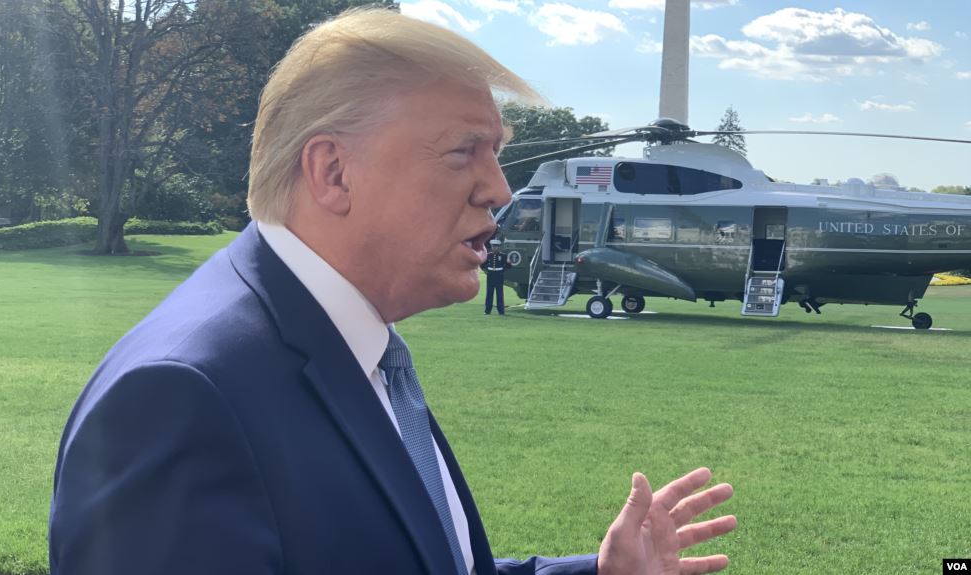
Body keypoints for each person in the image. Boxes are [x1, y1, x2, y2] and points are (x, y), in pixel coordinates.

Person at [48, 8, 736, 575]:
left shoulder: (358, 345)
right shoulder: (182, 398)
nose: (499, 189)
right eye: (463, 151)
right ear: (333, 172)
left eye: (496, 153)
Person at [482, 239, 511, 315]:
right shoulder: (488, 255)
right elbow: (482, 264)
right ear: (491, 247)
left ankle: (501, 311)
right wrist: (486, 270)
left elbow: (508, 266)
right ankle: (487, 311)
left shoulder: (503, 256)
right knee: (489, 293)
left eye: (496, 246)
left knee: (499, 294)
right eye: (493, 246)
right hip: (490, 275)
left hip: (499, 275)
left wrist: (506, 266)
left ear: (499, 247)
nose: (494, 248)